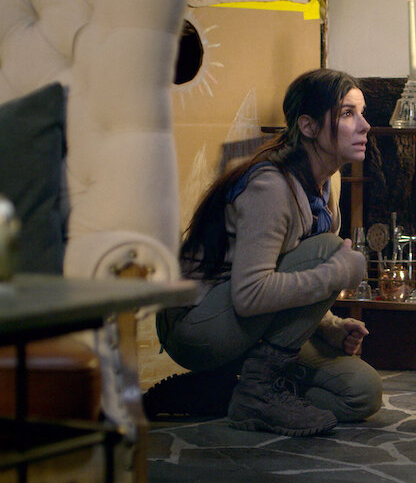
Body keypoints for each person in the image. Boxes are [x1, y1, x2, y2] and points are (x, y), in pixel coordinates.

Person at [155, 68, 382, 436]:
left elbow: (288, 269)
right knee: (329, 252)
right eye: (347, 113)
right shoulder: (272, 187)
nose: (365, 125)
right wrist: (338, 273)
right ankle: (256, 392)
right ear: (308, 127)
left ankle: (224, 390)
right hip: (196, 326)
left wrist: (329, 326)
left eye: (362, 112)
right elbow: (250, 295)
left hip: (250, 325)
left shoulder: (327, 183)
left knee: (360, 393)